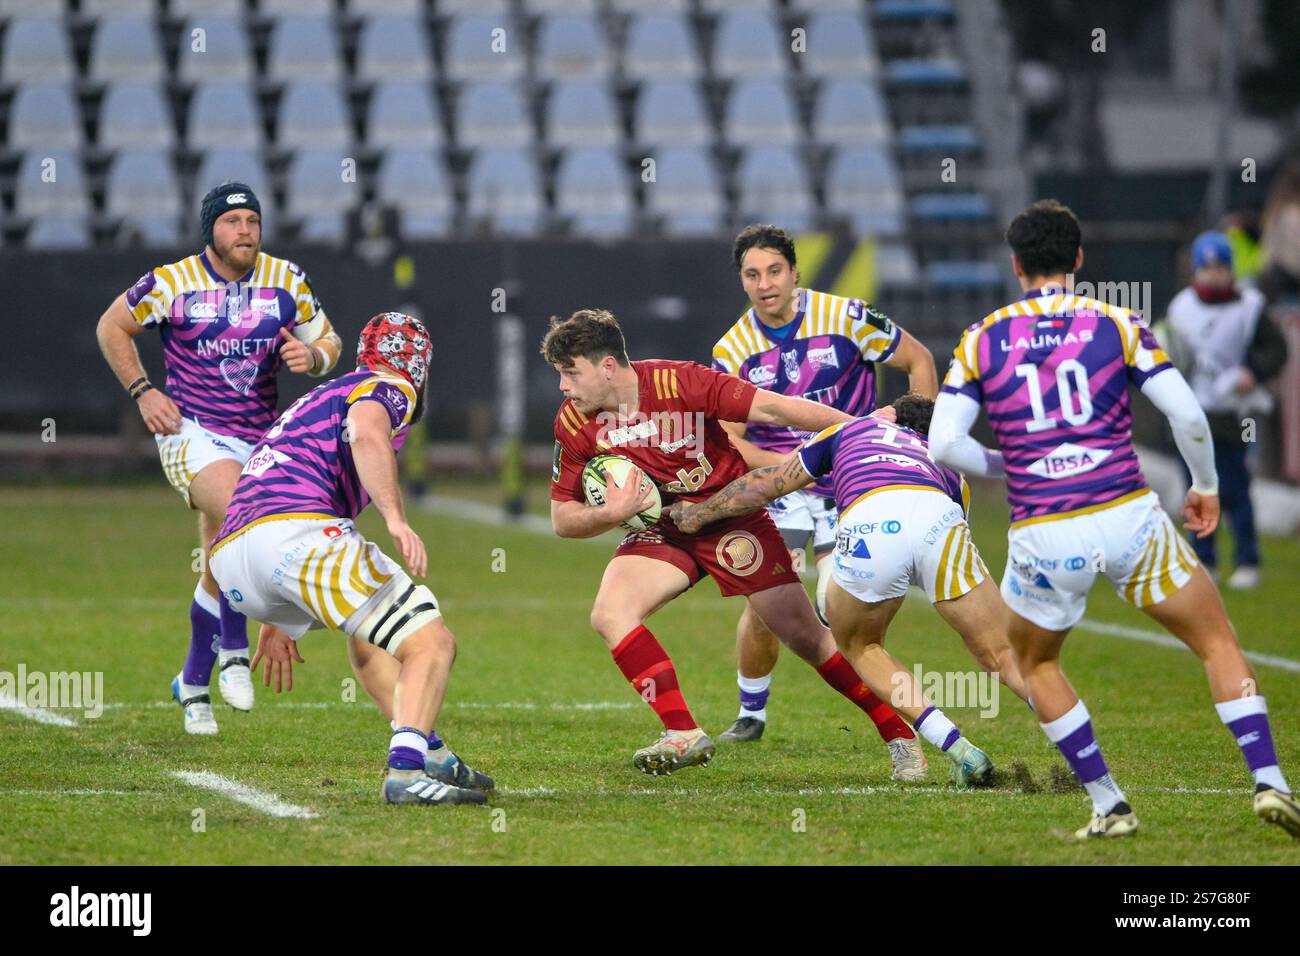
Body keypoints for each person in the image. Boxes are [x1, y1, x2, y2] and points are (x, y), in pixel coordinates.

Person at [929, 199, 1300, 840]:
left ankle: (1110, 804)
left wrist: (1011, 458)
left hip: (1046, 529)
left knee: (1038, 665)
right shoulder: (1117, 322)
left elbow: (942, 447)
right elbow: (1187, 418)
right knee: (1217, 642)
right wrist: (1205, 487)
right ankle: (1271, 782)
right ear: (1077, 259)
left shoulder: (983, 336)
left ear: (1016, 265)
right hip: (1131, 514)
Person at [545, 309, 924, 777]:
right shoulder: (573, 422)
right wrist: (611, 514)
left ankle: (898, 733)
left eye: (570, 373)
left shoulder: (678, 381)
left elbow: (772, 407)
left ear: (606, 366)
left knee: (808, 639)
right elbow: (562, 518)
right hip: (663, 529)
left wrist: (858, 428)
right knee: (609, 614)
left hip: (730, 517)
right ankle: (682, 732)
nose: (563, 387)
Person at [668, 394, 1030, 785]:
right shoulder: (950, 470)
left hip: (871, 520)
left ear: (892, 414)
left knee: (863, 647)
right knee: (1002, 653)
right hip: (938, 516)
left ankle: (959, 749)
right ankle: (1077, 741)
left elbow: (767, 484)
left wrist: (698, 514)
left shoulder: (851, 428)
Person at [209, 313, 493, 804]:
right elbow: (365, 433)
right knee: (431, 642)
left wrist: (278, 611)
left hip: (235, 557)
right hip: (294, 536)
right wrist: (396, 519)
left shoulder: (322, 395)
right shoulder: (390, 387)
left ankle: (433, 754)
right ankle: (406, 773)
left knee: (371, 641)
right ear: (418, 363)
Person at [95, 182, 344, 734]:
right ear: (211, 228)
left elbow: (330, 341)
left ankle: (192, 682)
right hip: (193, 434)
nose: (245, 231)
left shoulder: (287, 280)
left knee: (218, 558)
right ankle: (234, 650)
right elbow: (111, 326)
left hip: (261, 441)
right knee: (243, 515)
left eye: (253, 220)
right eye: (233, 221)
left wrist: (315, 355)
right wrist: (143, 390)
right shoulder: (170, 282)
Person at [711, 224, 937, 743]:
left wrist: (917, 439)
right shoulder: (732, 350)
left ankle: (900, 724)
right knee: (766, 603)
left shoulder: (848, 317)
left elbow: (918, 360)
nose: (766, 283)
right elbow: (733, 444)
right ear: (742, 283)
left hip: (853, 488)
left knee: (839, 611)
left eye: (774, 271)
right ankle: (752, 712)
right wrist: (800, 464)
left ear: (794, 272)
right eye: (752, 275)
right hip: (783, 493)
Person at [1164, 231, 1288, 589]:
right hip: (1192, 410)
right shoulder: (1181, 307)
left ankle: (1247, 559)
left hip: (1234, 410)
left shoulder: (1250, 306)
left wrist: (1253, 371)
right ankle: (1205, 560)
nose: (1215, 275)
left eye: (1221, 268)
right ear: (1196, 271)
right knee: (1198, 488)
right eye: (1208, 268)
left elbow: (1276, 350)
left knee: (1235, 485)